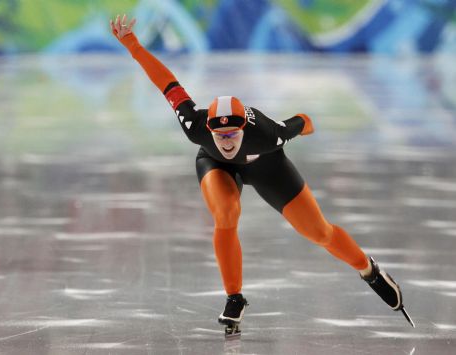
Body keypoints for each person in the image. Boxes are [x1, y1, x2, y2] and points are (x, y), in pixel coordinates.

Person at [109, 14, 414, 334]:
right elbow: (166, 81)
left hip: (267, 164)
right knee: (226, 213)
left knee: (319, 232)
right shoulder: (195, 125)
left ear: (244, 128)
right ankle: (234, 298)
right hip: (217, 167)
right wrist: (132, 43)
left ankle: (369, 270)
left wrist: (308, 124)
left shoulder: (267, 133)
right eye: (219, 134)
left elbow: (299, 122)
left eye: (232, 134)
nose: (226, 141)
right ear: (208, 128)